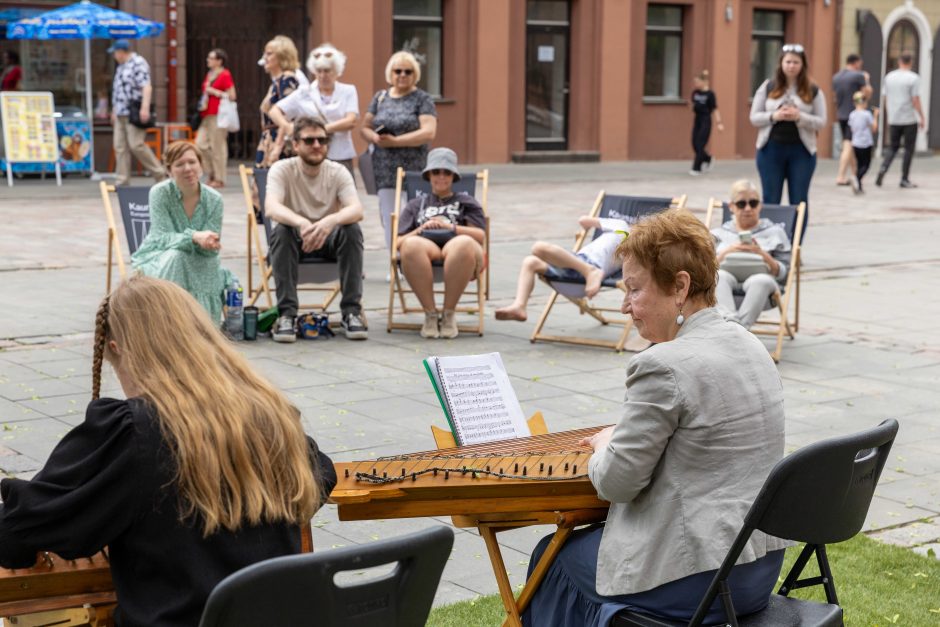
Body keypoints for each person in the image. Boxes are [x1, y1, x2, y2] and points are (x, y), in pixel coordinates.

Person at [0, 275, 336, 627]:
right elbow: (319, 476)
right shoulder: (267, 411)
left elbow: (19, 530)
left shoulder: (136, 431)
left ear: (116, 348)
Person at [522, 210, 788, 627]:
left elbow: (617, 483)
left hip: (697, 575)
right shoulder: (747, 342)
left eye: (634, 289)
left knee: (550, 557)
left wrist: (604, 442)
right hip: (757, 564)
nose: (625, 306)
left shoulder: (662, 364)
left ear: (680, 286)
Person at [265, 117, 367, 342]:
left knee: (351, 229)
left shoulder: (338, 171)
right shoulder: (281, 169)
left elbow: (357, 209)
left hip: (329, 240)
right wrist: (302, 223)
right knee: (281, 230)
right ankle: (287, 315)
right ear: (295, 145)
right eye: (309, 140)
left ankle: (351, 312)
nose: (316, 145)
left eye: (322, 140)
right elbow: (271, 207)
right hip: (293, 241)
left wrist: (329, 221)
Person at [131, 142, 233, 324]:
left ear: (201, 165)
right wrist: (194, 236)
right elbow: (161, 237)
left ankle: (202, 327)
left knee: (207, 265)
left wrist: (209, 243)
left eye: (192, 162)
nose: (188, 169)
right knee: (178, 258)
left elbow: (210, 250)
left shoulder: (214, 199)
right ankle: (170, 324)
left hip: (200, 259)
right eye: (179, 164)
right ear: (169, 170)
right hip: (160, 255)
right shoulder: (160, 193)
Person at [397, 148, 485, 339]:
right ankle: (430, 314)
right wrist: (421, 229)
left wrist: (450, 226)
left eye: (447, 172)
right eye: (436, 172)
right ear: (428, 175)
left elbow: (479, 235)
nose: (441, 177)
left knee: (463, 243)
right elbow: (399, 242)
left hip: (459, 249)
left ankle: (448, 314)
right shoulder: (416, 204)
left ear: (454, 176)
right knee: (410, 245)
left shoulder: (466, 202)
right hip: (426, 248)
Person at [360, 51, 437, 251]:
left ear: (415, 74)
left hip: (414, 167)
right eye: (398, 71)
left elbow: (428, 132)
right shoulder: (380, 97)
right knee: (389, 215)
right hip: (384, 167)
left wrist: (395, 142)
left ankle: (414, 255)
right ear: (390, 73)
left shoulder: (422, 99)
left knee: (415, 213)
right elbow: (364, 127)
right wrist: (375, 137)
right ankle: (395, 260)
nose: (402, 75)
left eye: (408, 71)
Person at [494, 213, 634, 323]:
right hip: (574, 280)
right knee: (530, 262)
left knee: (538, 248)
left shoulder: (622, 227)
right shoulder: (633, 253)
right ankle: (519, 306)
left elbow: (583, 220)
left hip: (586, 270)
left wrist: (592, 224)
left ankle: (589, 271)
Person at [750, 43, 826, 240]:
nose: (791, 66)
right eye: (788, 61)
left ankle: (794, 249)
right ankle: (771, 245)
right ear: (781, 63)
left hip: (801, 152)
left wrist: (799, 116)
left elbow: (822, 121)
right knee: (770, 199)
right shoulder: (768, 86)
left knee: (799, 200)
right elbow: (754, 117)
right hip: (770, 151)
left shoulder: (813, 89)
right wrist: (775, 115)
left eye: (796, 62)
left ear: (803, 65)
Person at [712, 180, 791, 330]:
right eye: (741, 204)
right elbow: (704, 271)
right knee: (718, 276)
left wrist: (761, 253)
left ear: (760, 205)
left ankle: (733, 332)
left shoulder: (775, 232)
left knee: (760, 280)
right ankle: (737, 332)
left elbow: (784, 274)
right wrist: (727, 252)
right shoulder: (718, 234)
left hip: (764, 288)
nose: (748, 208)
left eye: (753, 203)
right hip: (727, 283)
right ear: (731, 207)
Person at [270, 43, 360, 175]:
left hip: (340, 153)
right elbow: (274, 111)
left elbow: (351, 121)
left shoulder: (348, 90)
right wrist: (288, 127)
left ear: (336, 71)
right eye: (319, 71)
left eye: (327, 70)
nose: (323, 75)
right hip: (311, 154)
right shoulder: (305, 92)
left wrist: (321, 130)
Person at [109, 40, 165, 187]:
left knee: (136, 145)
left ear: (121, 51)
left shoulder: (138, 63)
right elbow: (118, 90)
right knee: (119, 146)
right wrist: (114, 110)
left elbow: (146, 86)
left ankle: (160, 173)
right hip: (121, 112)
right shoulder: (121, 66)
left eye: (115, 52)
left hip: (133, 111)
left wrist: (144, 108)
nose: (114, 56)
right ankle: (122, 180)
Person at [876, 52, 926, 189]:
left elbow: (885, 98)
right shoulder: (913, 78)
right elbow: (915, 100)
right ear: (910, 62)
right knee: (909, 150)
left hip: (894, 118)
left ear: (899, 61)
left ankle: (883, 168)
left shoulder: (889, 77)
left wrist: (889, 115)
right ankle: (904, 178)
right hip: (909, 119)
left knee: (893, 147)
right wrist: (922, 117)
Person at [255, 36, 305, 168]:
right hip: (269, 140)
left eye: (269, 53)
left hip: (280, 142)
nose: (265, 57)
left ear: (283, 56)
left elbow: (287, 115)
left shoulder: (287, 79)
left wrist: (277, 147)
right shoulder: (277, 82)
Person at [195, 48, 236, 188]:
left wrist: (215, 92)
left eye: (211, 58)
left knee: (218, 147)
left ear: (219, 61)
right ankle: (211, 172)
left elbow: (232, 95)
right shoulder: (210, 74)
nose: (208, 60)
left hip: (219, 115)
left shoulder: (225, 74)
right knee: (200, 144)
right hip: (206, 114)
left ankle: (220, 178)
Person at [832, 54, 871, 186]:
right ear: (856, 63)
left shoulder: (836, 77)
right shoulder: (858, 76)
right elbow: (866, 95)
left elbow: (835, 97)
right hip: (854, 115)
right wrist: (867, 80)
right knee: (848, 145)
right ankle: (841, 176)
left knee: (849, 144)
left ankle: (855, 174)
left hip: (841, 114)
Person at [688, 70, 723, 176]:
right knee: (694, 143)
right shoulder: (695, 93)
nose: (696, 84)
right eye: (695, 82)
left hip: (706, 120)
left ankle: (696, 168)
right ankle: (708, 158)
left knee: (700, 143)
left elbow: (715, 109)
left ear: (704, 82)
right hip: (697, 120)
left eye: (698, 82)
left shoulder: (710, 94)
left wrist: (719, 123)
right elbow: (692, 105)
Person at [848, 91, 878, 194]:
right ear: (864, 102)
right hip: (866, 143)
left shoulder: (852, 115)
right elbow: (874, 128)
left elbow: (852, 129)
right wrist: (875, 116)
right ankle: (856, 178)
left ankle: (859, 186)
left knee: (859, 164)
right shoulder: (866, 114)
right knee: (866, 165)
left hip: (855, 142)